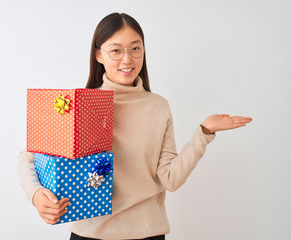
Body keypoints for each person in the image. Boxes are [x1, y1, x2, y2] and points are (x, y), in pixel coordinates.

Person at [18, 12, 252, 240]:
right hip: (90, 233)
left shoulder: (158, 107)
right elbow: (29, 157)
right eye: (116, 50)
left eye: (135, 48)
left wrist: (205, 132)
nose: (127, 59)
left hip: (148, 232)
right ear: (99, 55)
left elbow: (170, 179)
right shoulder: (79, 104)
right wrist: (37, 194)